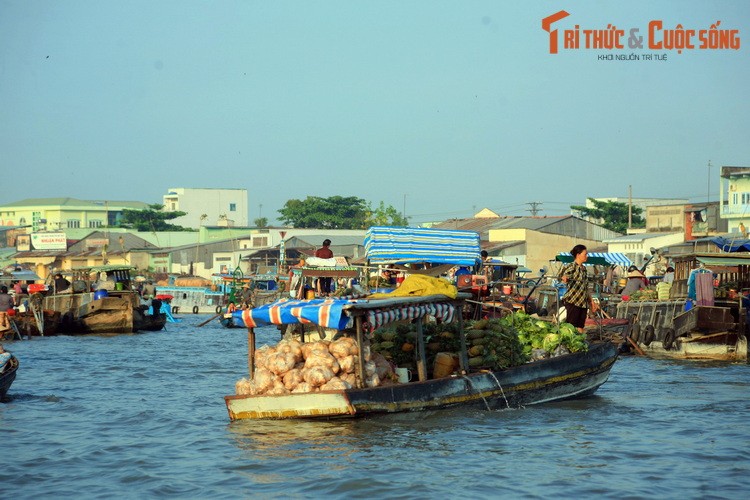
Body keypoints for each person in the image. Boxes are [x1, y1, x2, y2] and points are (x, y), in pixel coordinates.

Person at [558, 244, 598, 333]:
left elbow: (585, 288)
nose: (586, 256)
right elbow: (563, 276)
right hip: (573, 301)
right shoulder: (572, 266)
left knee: (580, 326)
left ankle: (580, 343)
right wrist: (564, 278)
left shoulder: (584, 269)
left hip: (583, 303)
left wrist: (591, 301)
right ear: (578, 255)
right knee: (571, 327)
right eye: (585, 254)